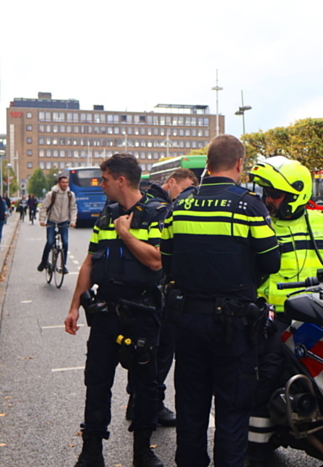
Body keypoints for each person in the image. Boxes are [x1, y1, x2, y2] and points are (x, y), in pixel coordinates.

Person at [160, 134, 280, 467]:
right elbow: (272, 262)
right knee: (232, 411)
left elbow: (166, 260)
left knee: (191, 407)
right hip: (234, 324)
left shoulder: (179, 205)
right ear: (240, 164)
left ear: (207, 164)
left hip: (187, 321)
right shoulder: (249, 205)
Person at [247, 155, 323, 467]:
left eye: (274, 194)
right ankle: (255, 451)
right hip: (277, 318)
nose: (268, 199)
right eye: (266, 192)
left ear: (295, 195)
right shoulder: (261, 225)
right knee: (266, 378)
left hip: (322, 314)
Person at [64, 154, 169, 467]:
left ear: (121, 180)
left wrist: (125, 233)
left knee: (146, 387)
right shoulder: (105, 214)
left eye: (105, 178)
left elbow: (156, 260)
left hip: (143, 313)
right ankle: (91, 451)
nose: (101, 184)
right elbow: (90, 261)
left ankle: (143, 452)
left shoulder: (157, 213)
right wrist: (74, 307)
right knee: (96, 383)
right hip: (106, 312)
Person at [125, 168, 198, 427]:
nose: (187, 194)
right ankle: (152, 404)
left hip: (143, 291)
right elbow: (161, 256)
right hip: (159, 291)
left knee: (147, 350)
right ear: (171, 183)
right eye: (185, 188)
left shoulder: (145, 202)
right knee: (162, 350)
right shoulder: (161, 209)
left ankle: (138, 401)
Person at [38, 176, 77, 274]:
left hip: (64, 221)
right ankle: (44, 261)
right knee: (50, 242)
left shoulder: (70, 195)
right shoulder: (52, 194)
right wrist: (42, 220)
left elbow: (73, 208)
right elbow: (44, 207)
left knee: (65, 242)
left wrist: (73, 221)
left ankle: (63, 265)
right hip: (52, 221)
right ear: (59, 183)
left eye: (66, 182)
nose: (65, 184)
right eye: (63, 182)